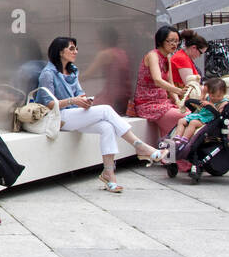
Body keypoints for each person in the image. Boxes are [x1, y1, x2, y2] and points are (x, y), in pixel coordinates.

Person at [36, 37, 166, 193]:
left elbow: (80, 94)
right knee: (105, 110)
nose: (75, 52)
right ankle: (140, 146)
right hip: (60, 117)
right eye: (71, 49)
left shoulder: (72, 71)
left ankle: (109, 174)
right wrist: (73, 100)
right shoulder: (48, 73)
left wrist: (85, 101)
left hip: (74, 115)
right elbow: (48, 103)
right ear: (59, 51)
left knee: (107, 127)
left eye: (76, 48)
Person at [133, 26, 189, 138]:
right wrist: (179, 91)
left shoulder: (167, 57)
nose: (175, 44)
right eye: (171, 41)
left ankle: (172, 151)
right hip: (148, 105)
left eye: (177, 41)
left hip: (163, 103)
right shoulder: (153, 56)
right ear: (161, 40)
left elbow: (170, 83)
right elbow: (158, 80)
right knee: (189, 117)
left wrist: (178, 101)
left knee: (188, 114)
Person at [169, 76, 229, 145]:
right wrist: (204, 92)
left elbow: (219, 115)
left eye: (219, 96)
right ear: (209, 92)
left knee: (193, 122)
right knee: (181, 121)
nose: (215, 98)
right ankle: (177, 137)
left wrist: (211, 105)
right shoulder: (207, 97)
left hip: (208, 119)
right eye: (212, 95)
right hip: (200, 115)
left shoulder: (224, 102)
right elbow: (202, 94)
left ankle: (185, 139)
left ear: (224, 93)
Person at [169, 31, 207, 104]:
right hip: (181, 98)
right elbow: (191, 85)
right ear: (194, 48)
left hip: (182, 95)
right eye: (200, 53)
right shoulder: (182, 59)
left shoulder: (183, 56)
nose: (199, 56)